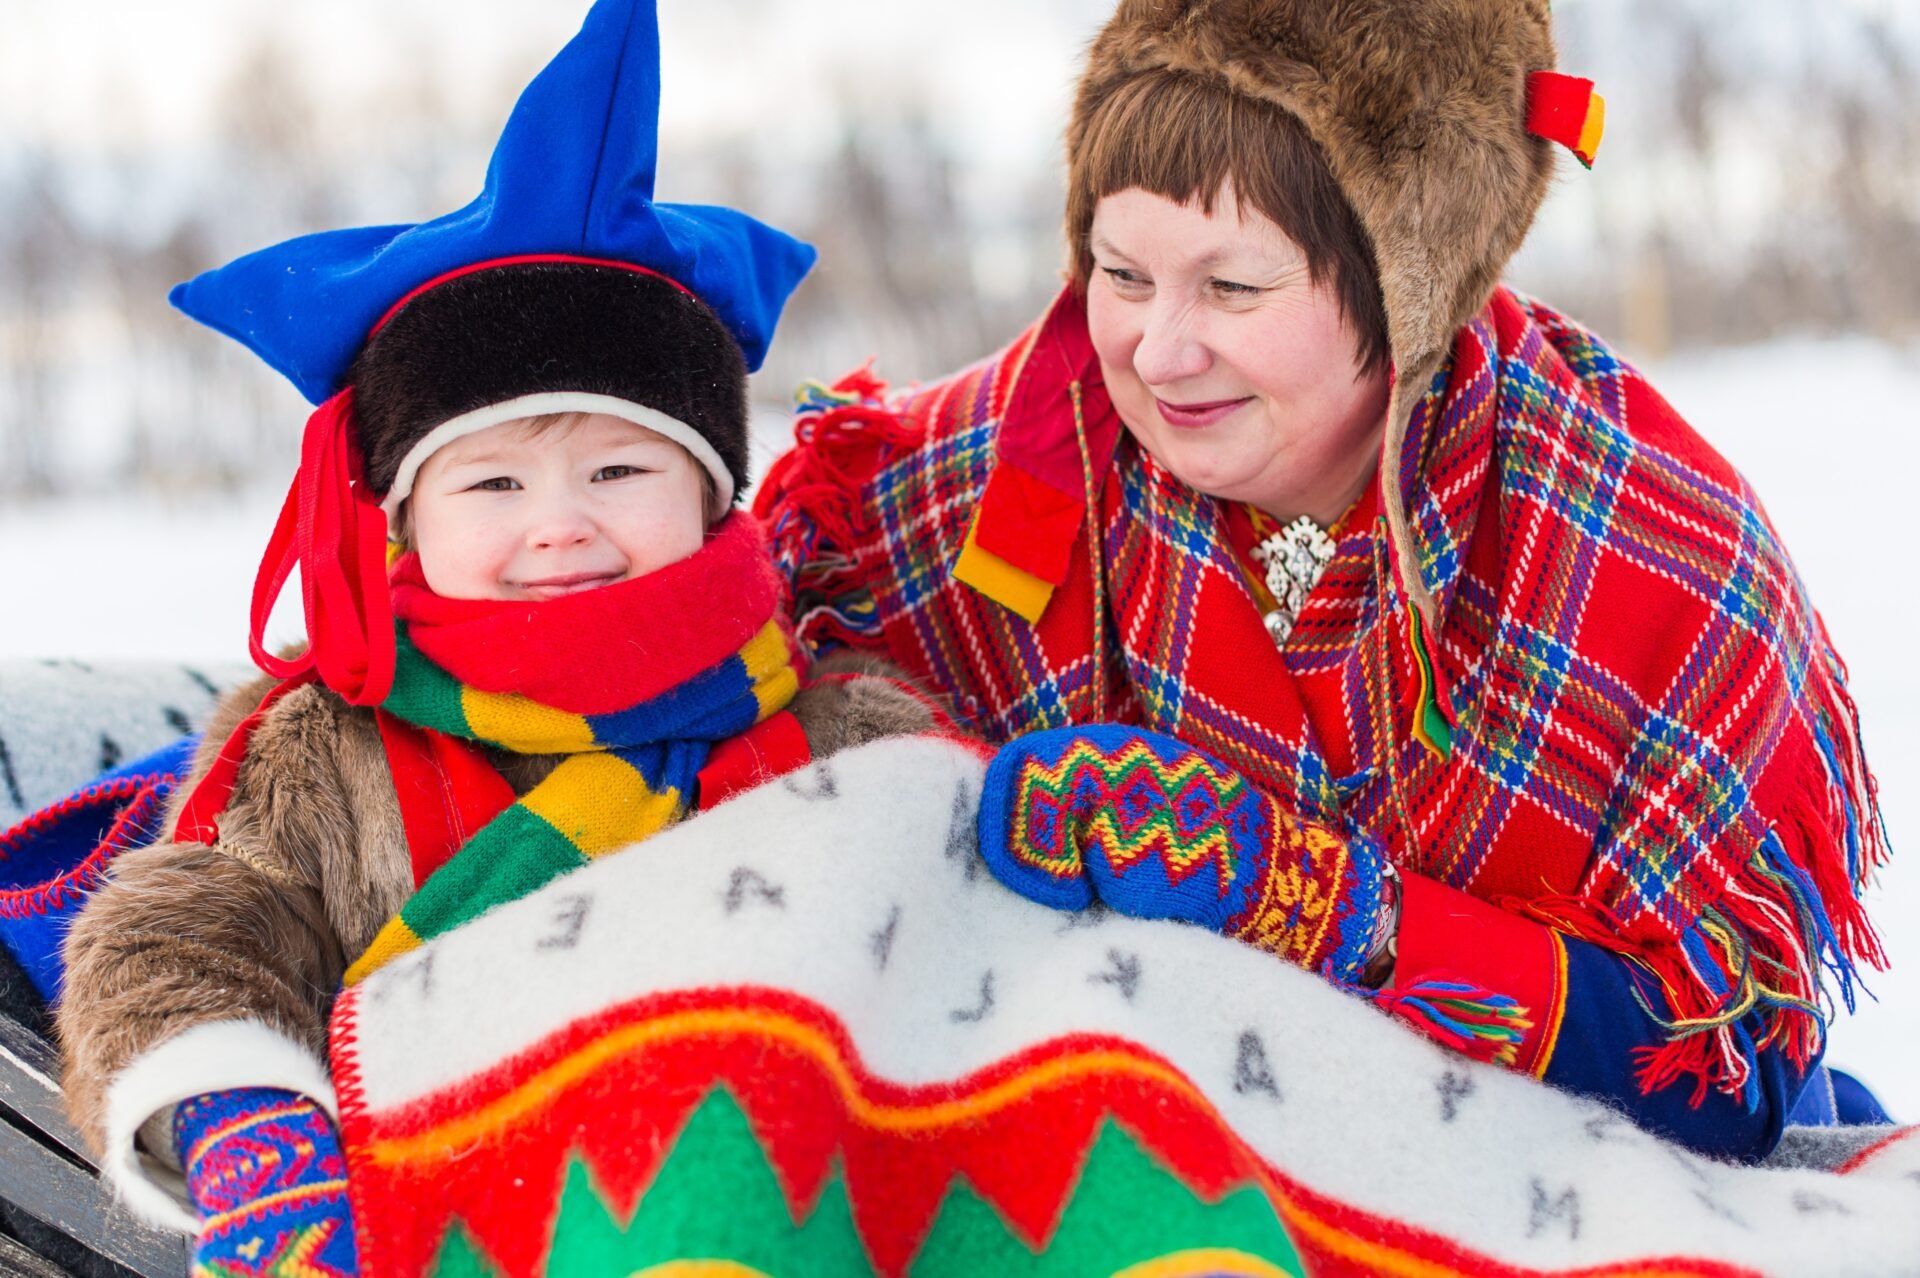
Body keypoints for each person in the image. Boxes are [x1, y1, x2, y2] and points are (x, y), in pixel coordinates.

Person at [755, 0, 1891, 1161]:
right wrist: (905, 754)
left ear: (1403, 284)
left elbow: (1727, 1077)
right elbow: (755, 639)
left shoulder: (1638, 539)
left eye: (1233, 289)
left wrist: (1331, 906)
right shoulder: (1000, 461)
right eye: (1122, 273)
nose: (1159, 350)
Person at [53, 0, 933, 1263]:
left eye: (622, 472)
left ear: (712, 493)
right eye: (496, 486)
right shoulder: (328, 741)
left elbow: (952, 891)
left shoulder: (830, 723)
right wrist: (236, 1110)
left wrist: (1047, 835)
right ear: (405, 517)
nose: (560, 528)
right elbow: (184, 928)